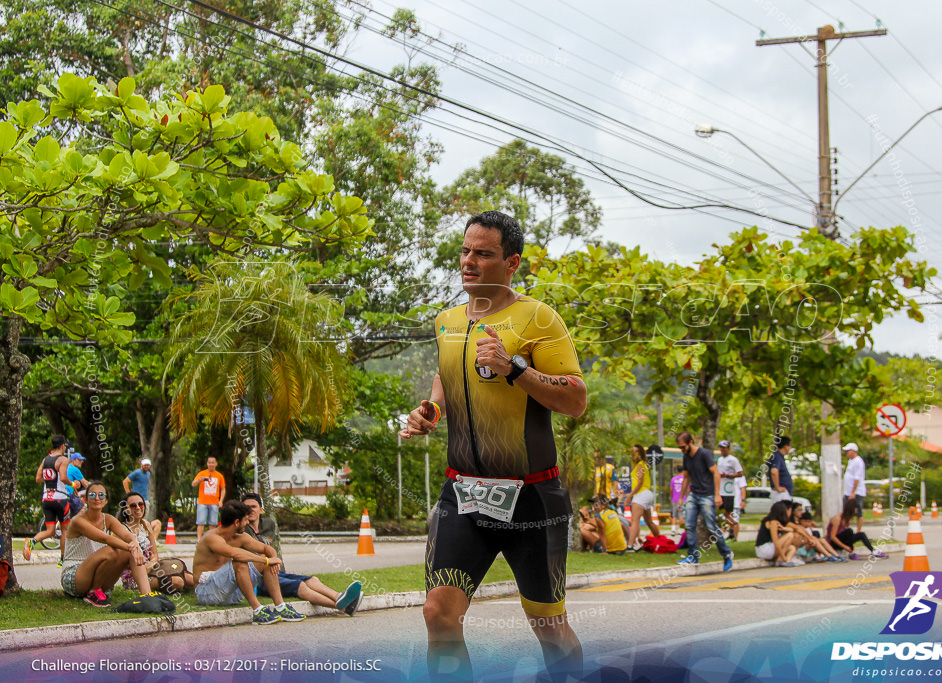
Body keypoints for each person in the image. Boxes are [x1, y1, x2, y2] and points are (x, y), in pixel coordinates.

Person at [399, 210, 586, 679]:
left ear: (512, 262)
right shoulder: (447, 321)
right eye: (465, 251)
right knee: (438, 613)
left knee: (549, 626)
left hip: (532, 499)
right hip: (463, 495)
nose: (469, 261)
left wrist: (516, 369)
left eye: (483, 254)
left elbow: (576, 399)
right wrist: (431, 413)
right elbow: (446, 378)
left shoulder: (539, 318)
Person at [240, 492, 362, 615]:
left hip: (273, 571)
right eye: (246, 508)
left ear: (261, 510)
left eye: (253, 507)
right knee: (299, 585)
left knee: (313, 580)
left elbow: (270, 548)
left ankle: (339, 596)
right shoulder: (241, 529)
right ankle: (343, 606)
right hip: (257, 577)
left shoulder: (268, 524)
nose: (250, 510)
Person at [192, 499, 305, 625]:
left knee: (265, 560)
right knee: (241, 561)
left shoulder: (240, 537)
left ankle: (281, 607)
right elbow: (236, 554)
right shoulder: (211, 538)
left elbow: (265, 548)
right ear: (236, 522)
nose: (247, 523)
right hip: (207, 593)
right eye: (245, 520)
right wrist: (266, 560)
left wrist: (274, 559)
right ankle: (257, 610)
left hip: (231, 594)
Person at [60, 483, 152, 606]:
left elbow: (127, 535)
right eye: (92, 495)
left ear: (106, 500)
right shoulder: (78, 521)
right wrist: (131, 548)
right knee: (112, 550)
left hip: (99, 575)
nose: (97, 498)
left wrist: (135, 544)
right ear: (86, 499)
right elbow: (105, 538)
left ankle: (147, 596)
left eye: (101, 495)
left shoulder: (107, 519)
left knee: (128, 551)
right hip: (75, 577)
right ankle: (93, 593)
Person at [675, 432, 733, 571]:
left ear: (690, 442)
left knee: (711, 526)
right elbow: (686, 478)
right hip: (694, 494)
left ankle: (727, 554)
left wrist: (717, 495)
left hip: (707, 495)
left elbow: (716, 473)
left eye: (683, 447)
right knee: (689, 525)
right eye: (680, 448)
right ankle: (693, 556)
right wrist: (681, 498)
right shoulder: (686, 457)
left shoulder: (704, 454)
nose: (682, 450)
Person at [117, 492, 194, 593]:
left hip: (153, 569)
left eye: (141, 504)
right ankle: (139, 589)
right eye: (133, 505)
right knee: (177, 582)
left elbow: (154, 554)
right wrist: (143, 568)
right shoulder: (121, 529)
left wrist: (151, 565)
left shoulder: (146, 525)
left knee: (190, 579)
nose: (138, 507)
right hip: (134, 576)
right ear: (126, 510)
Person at [24, 435, 73, 562]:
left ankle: (32, 541)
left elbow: (38, 478)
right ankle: (63, 559)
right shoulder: (63, 460)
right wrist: (73, 484)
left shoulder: (45, 460)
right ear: (63, 446)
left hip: (46, 499)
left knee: (50, 530)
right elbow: (62, 477)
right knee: (65, 530)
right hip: (60, 499)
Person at [623, 444, 661, 550]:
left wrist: (630, 495)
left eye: (634, 452)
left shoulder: (640, 464)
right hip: (647, 493)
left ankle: (630, 546)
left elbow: (639, 482)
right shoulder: (643, 464)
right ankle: (660, 540)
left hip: (641, 494)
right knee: (649, 521)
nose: (632, 455)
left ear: (639, 454)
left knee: (635, 520)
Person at [123, 458, 161, 538]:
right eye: (145, 465)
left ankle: (147, 538)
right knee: (137, 518)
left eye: (148, 465)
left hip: (145, 499)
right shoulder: (137, 473)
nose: (146, 467)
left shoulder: (148, 474)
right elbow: (125, 481)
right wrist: (129, 494)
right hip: (137, 499)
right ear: (141, 465)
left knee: (145, 519)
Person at [755, 501, 800, 567]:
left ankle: (788, 560)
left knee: (792, 548)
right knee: (790, 535)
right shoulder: (773, 522)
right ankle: (781, 559)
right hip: (764, 548)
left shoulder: (777, 522)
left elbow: (792, 530)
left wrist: (784, 528)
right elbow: (776, 542)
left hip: (769, 547)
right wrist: (783, 556)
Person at [192, 456, 226, 538]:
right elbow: (193, 484)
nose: (211, 464)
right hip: (202, 502)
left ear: (216, 464)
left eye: (213, 462)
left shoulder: (219, 476)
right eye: (209, 462)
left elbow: (223, 489)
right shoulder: (202, 473)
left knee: (213, 523)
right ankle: (199, 539)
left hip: (214, 502)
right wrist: (199, 480)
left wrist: (221, 500)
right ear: (207, 464)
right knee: (200, 522)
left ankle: (211, 538)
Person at [716, 440, 743, 541]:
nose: (722, 450)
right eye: (721, 448)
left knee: (728, 512)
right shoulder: (720, 460)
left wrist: (727, 475)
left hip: (728, 490)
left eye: (724, 448)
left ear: (728, 449)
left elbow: (740, 473)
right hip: (720, 489)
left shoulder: (733, 460)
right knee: (720, 513)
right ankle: (723, 532)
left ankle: (733, 531)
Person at [842, 442, 867, 533]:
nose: (846, 453)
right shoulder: (850, 461)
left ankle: (858, 531)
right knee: (846, 510)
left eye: (847, 451)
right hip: (848, 492)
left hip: (857, 492)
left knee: (858, 511)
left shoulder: (858, 461)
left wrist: (853, 492)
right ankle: (845, 529)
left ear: (853, 451)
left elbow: (857, 478)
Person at [767, 436, 794, 504]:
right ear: (786, 446)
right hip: (780, 493)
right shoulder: (777, 456)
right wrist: (777, 487)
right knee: (782, 513)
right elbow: (774, 471)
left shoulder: (779, 457)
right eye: (790, 446)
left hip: (783, 493)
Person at [65, 450, 89, 517]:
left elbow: (71, 484)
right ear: (73, 460)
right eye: (79, 460)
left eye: (82, 460)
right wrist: (93, 489)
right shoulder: (74, 469)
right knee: (83, 507)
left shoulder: (67, 467)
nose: (82, 462)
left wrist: (77, 494)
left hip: (62, 494)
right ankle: (75, 524)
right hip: (68, 495)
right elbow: (85, 484)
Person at [669, 465, 687, 533]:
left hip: (675, 500)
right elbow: (688, 489)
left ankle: (673, 529)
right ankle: (680, 530)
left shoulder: (673, 479)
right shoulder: (685, 479)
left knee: (674, 514)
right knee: (681, 515)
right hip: (683, 500)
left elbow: (671, 489)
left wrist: (672, 498)